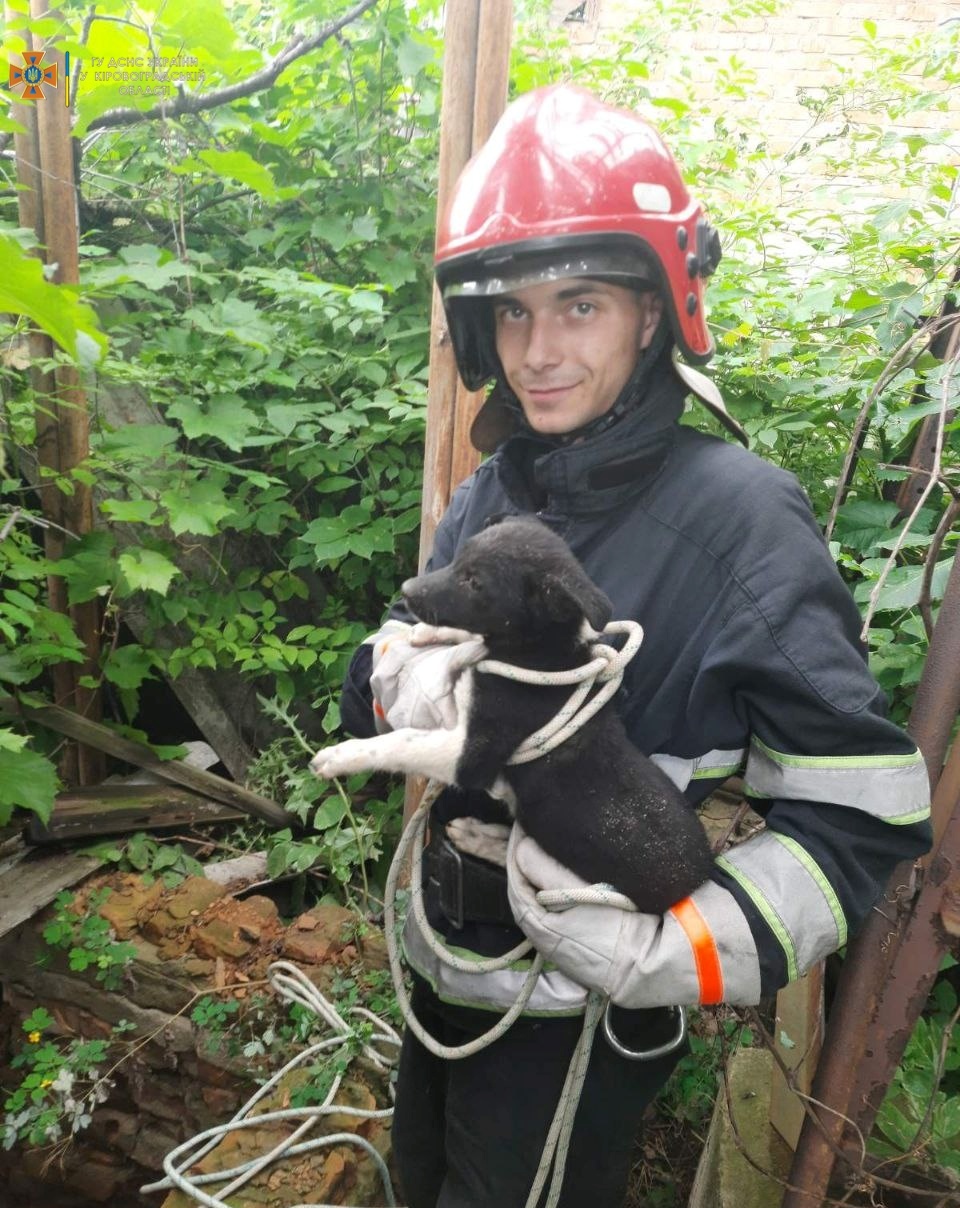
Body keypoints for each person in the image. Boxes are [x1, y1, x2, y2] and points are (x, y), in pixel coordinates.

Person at [337, 84, 932, 1208]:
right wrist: (392, 673)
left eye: (579, 305)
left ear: (656, 312)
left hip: (581, 1025)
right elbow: (387, 667)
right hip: (445, 979)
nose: (538, 349)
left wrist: (683, 952)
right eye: (512, 312)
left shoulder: (740, 522)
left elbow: (866, 816)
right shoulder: (499, 488)